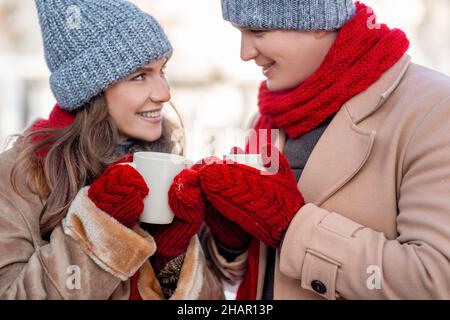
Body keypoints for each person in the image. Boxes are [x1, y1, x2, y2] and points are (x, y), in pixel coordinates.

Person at [194, 0, 450, 299]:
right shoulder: (269, 117)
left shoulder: (432, 108)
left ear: (317, 22)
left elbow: (434, 281)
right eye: (239, 32)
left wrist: (291, 225)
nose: (245, 53)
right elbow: (253, 277)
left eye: (258, 31)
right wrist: (230, 238)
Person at [0, 0, 223, 300]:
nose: (164, 93)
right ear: (91, 91)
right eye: (140, 76)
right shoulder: (17, 178)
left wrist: (174, 258)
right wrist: (100, 227)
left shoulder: (167, 163)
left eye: (162, 71)